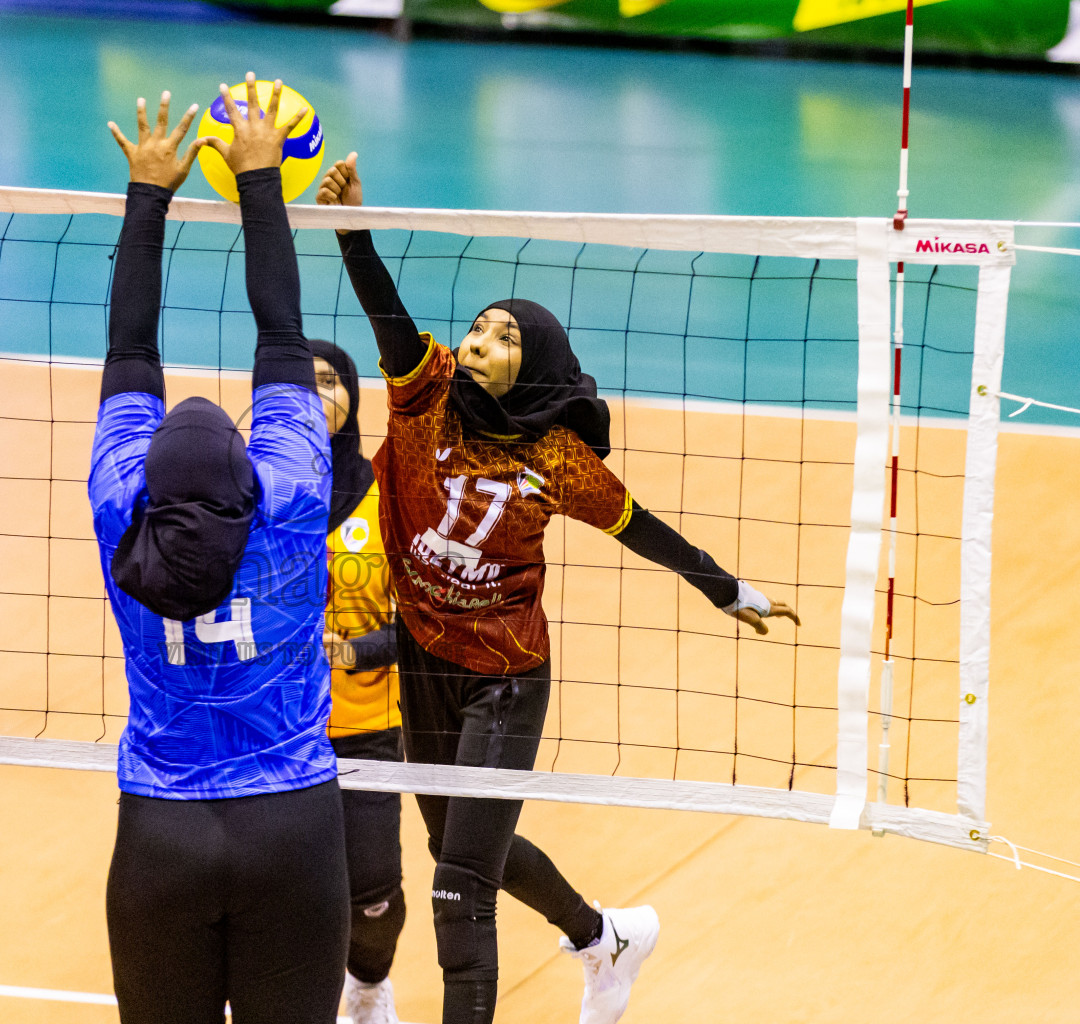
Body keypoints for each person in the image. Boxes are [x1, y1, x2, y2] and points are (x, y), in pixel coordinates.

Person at [317, 152, 800, 1024]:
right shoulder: (424, 396)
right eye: (476, 326)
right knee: (455, 844)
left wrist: (725, 589)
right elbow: (384, 312)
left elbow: (643, 527)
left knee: (459, 891)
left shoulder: (560, 462)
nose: (476, 339)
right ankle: (603, 940)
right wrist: (354, 227)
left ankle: (577, 954)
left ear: (532, 365)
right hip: (426, 662)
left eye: (503, 336)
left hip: (504, 679)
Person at [91, 79, 348, 1024]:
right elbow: (282, 335)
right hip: (293, 828)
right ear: (248, 470)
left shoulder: (124, 517)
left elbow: (129, 352)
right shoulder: (289, 500)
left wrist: (147, 191)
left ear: (149, 484)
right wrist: (258, 178)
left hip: (161, 833)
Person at [315, 339, 407, 1024]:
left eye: (329, 381)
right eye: (301, 381)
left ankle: (369, 989)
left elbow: (428, 621)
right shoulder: (253, 492)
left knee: (375, 900)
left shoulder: (389, 499)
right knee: (288, 891)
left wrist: (358, 651)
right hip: (275, 733)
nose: (318, 394)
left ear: (352, 393)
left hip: (371, 728)